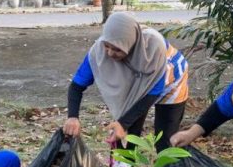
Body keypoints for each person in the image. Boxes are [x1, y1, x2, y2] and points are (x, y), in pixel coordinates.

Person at [63, 12, 189, 152]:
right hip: (135, 81)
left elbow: (153, 92)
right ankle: (123, 166)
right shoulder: (98, 52)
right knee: (124, 139)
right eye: (107, 46)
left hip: (171, 80)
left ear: (130, 44)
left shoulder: (153, 48)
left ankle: (170, 165)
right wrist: (72, 117)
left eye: (117, 49)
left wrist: (123, 123)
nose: (110, 53)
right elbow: (76, 86)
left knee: (166, 142)